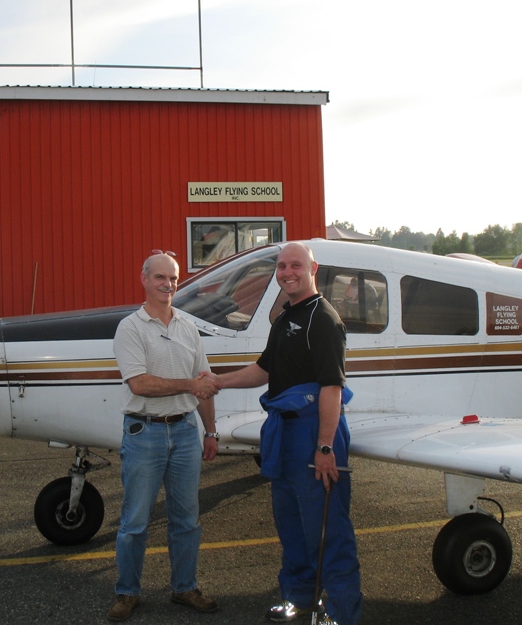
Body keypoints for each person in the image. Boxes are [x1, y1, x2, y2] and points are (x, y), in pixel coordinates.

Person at [214, 242, 363, 625]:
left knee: (328, 532)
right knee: (292, 528)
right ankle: (298, 600)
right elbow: (264, 369)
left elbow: (331, 387)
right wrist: (218, 382)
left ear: (313, 267)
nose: (287, 272)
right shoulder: (285, 317)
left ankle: (342, 614)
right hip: (284, 433)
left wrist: (326, 446)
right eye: (281, 266)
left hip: (315, 432)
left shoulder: (323, 319)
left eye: (295, 265)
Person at [108, 250, 221, 622]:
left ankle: (184, 587)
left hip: (187, 432)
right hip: (145, 433)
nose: (168, 284)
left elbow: (203, 386)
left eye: (172, 278)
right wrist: (191, 385)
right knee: (135, 521)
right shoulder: (130, 328)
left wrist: (211, 431)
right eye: (160, 277)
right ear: (144, 279)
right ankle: (127, 592)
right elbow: (139, 384)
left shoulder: (188, 328)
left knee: (186, 519)